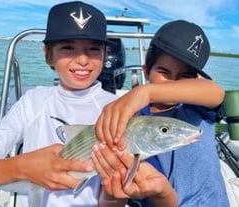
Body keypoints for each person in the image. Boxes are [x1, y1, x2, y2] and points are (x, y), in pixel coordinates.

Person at [0, 1, 118, 206]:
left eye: (93, 49)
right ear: (48, 55)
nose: (83, 59)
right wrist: (22, 168)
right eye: (68, 48)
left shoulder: (117, 108)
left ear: (104, 55)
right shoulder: (32, 101)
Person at [94, 20, 230, 206]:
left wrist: (145, 91)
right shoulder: (133, 120)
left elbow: (216, 92)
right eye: (164, 72)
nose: (173, 82)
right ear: (146, 71)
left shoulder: (196, 107)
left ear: (196, 81)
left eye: (185, 76)